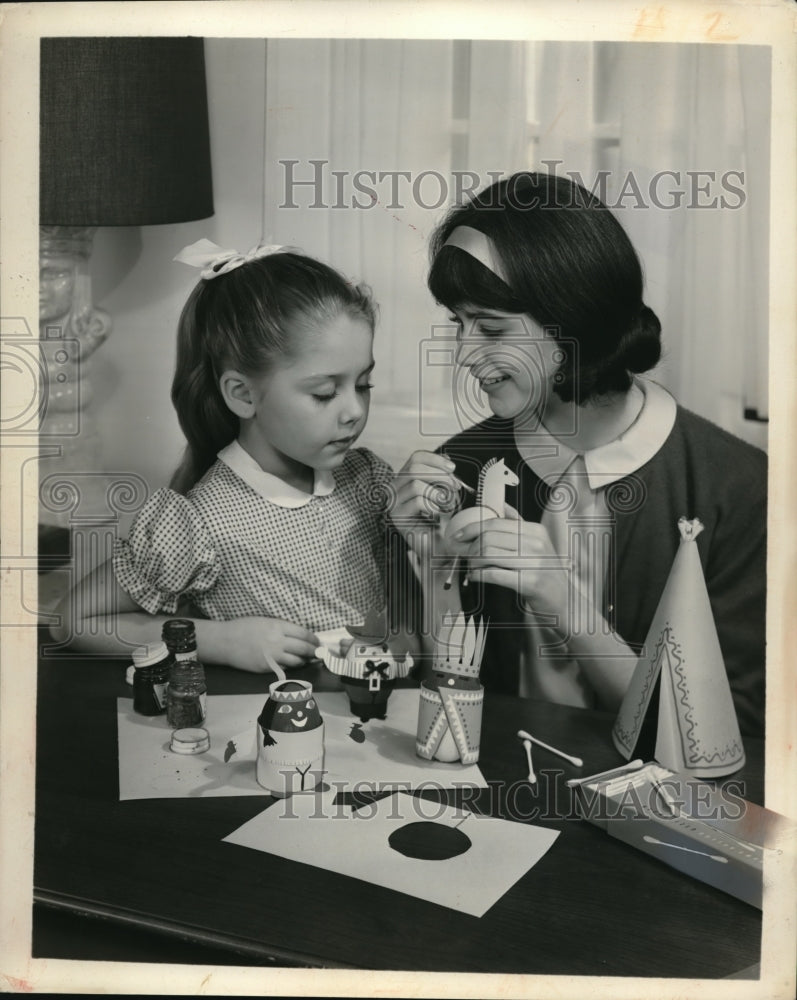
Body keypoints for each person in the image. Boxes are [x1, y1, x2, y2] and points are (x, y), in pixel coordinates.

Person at [390, 172, 766, 737]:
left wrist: (562, 595)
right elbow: (433, 688)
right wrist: (427, 560)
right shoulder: (460, 466)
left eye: (490, 329)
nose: (463, 354)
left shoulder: (739, 488)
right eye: (458, 324)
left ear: (575, 324)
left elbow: (731, 734)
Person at [52, 239, 399, 673]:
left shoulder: (365, 478)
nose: (354, 411)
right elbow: (76, 622)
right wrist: (219, 640)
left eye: (363, 385)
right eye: (325, 393)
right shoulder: (198, 521)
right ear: (243, 394)